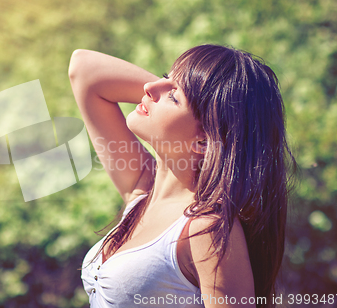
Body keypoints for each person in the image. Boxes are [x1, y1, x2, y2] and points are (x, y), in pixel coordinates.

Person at [68, 44, 295, 308]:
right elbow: (83, 68)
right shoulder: (142, 192)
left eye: (173, 97)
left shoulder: (205, 229)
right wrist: (187, 90)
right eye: (165, 77)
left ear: (203, 142)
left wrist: (201, 95)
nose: (149, 88)